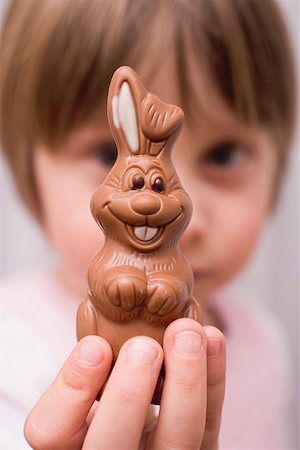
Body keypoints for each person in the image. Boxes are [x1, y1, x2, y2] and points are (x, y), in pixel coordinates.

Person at [0, 0, 296, 449]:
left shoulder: (267, 347)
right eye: (105, 155)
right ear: (28, 173)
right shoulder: (12, 350)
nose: (191, 222)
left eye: (224, 155)